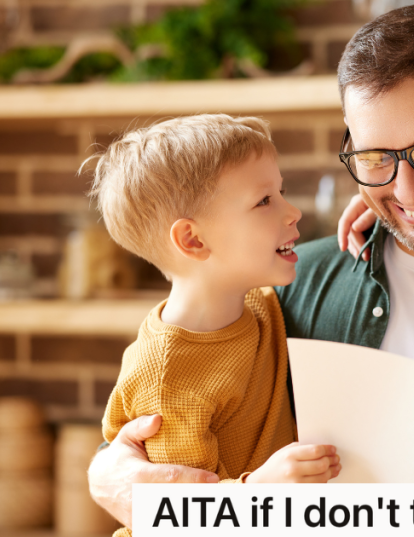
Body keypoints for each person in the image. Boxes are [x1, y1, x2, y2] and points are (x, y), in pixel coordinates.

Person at [87, 6, 414, 525]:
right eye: (376, 158)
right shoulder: (292, 286)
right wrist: (110, 474)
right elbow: (167, 416)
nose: (407, 190)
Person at [89, 114, 342, 534]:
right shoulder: (167, 375)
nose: (293, 212)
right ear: (193, 240)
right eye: (264, 201)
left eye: (281, 192)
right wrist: (263, 488)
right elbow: (184, 520)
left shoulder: (262, 307)